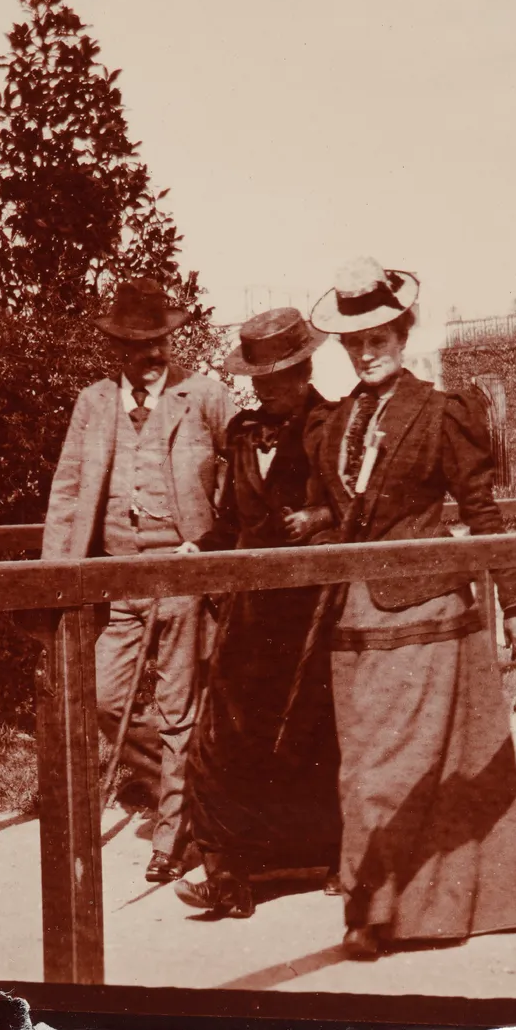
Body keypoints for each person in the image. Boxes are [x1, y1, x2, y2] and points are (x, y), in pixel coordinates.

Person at [295, 257, 516, 961]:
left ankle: (372, 912)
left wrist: (515, 598)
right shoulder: (334, 423)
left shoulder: (441, 412)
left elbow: (480, 508)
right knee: (363, 767)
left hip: (428, 612)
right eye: (355, 342)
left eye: (378, 338)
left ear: (403, 335)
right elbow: (347, 507)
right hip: (354, 619)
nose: (366, 352)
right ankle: (390, 903)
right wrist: (316, 519)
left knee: (398, 769)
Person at [41, 276, 234, 883]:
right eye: (133, 344)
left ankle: (172, 835)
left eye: (157, 342)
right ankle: (187, 786)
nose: (148, 355)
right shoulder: (94, 404)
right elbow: (67, 491)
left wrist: (213, 542)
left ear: (169, 341)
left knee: (178, 708)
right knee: (103, 696)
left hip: (183, 575)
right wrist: (55, 577)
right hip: (119, 579)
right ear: (115, 347)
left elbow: (243, 472)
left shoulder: (204, 396)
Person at [173, 308, 343, 920]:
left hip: (311, 610)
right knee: (224, 733)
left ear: (305, 370)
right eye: (259, 378)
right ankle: (229, 874)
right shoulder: (243, 433)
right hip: (250, 613)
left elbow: (361, 508)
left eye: (278, 376)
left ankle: (333, 856)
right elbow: (231, 523)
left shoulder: (332, 425)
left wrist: (320, 518)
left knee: (309, 733)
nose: (266, 389)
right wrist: (201, 547)